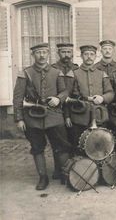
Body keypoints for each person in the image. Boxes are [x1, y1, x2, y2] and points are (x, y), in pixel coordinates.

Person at [13, 43, 70, 190]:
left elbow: (64, 92)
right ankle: (43, 177)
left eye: (44, 52)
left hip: (54, 115)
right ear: (33, 55)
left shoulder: (56, 72)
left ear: (48, 54)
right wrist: (19, 118)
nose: (42, 55)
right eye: (38, 52)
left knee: (62, 146)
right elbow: (18, 98)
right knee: (37, 147)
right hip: (32, 116)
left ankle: (66, 174)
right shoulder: (26, 73)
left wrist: (59, 98)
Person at [69, 45, 114, 153]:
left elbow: (111, 93)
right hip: (80, 115)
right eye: (86, 54)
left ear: (95, 56)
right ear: (81, 56)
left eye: (92, 54)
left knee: (100, 146)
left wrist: (102, 98)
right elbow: (69, 95)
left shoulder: (101, 73)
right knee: (80, 145)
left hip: (99, 115)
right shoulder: (74, 73)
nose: (89, 57)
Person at [51, 42, 78, 178]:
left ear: (72, 53)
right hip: (56, 109)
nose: (66, 55)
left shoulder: (76, 68)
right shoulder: (53, 69)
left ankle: (72, 169)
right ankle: (58, 169)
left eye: (68, 52)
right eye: (63, 52)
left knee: (73, 139)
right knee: (58, 140)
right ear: (58, 53)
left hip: (73, 109)